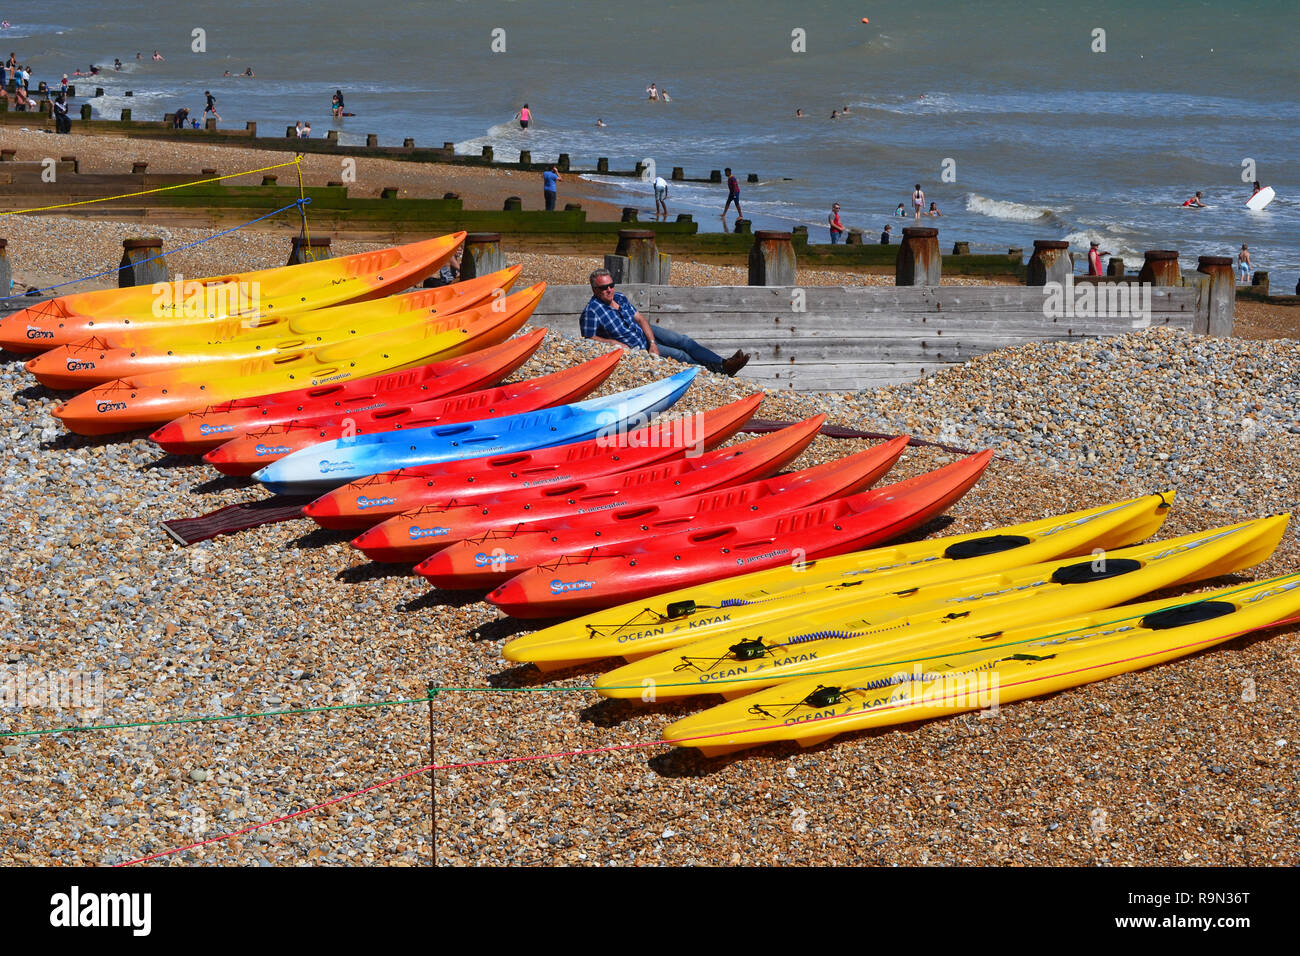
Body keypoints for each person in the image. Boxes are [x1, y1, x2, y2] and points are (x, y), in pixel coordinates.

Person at [580, 270, 750, 376]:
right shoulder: (592, 311)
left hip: (643, 333)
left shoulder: (620, 297)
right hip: (637, 346)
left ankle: (724, 363)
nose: (609, 290)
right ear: (594, 289)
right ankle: (719, 371)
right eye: (604, 288)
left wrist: (653, 342)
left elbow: (639, 319)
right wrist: (612, 342)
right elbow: (588, 338)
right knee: (682, 356)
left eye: (611, 285)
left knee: (684, 341)